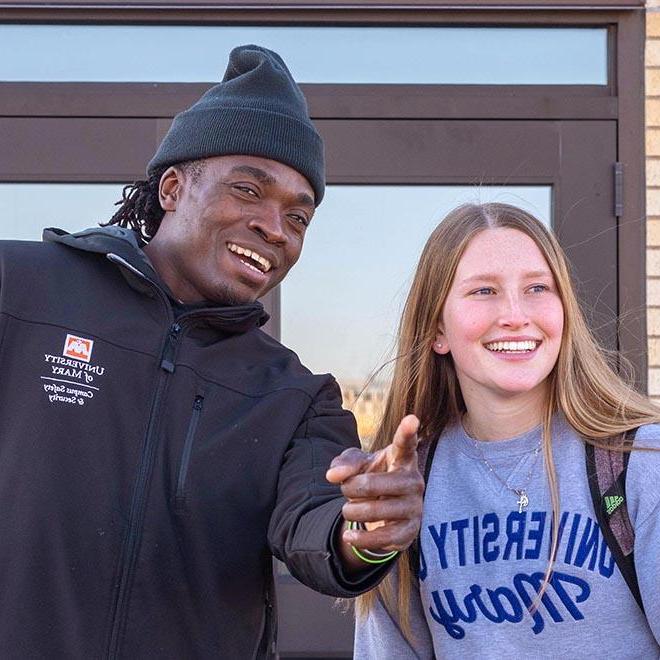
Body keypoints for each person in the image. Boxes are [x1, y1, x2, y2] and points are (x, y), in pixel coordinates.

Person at [0, 45, 424, 658]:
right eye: (249, 190)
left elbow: (318, 522)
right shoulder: (20, 288)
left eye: (298, 217)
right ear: (173, 187)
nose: (275, 228)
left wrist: (368, 533)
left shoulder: (295, 396)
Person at [354, 203, 660, 658]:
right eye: (483, 291)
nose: (515, 314)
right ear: (438, 328)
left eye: (538, 287)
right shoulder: (406, 481)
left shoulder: (637, 462)